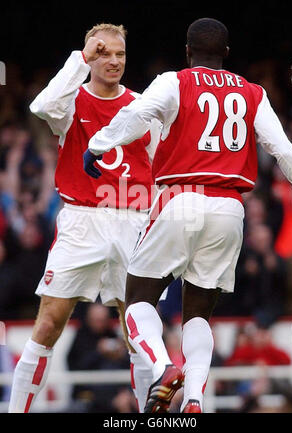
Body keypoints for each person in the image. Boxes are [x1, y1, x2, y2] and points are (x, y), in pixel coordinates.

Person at [84, 17, 292, 413]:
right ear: (227, 55)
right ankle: (195, 399)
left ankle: (165, 368)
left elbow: (137, 114)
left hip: (181, 197)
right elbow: (284, 150)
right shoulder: (253, 92)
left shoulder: (175, 81)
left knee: (137, 300)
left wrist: (99, 145)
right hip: (231, 209)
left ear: (188, 51)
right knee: (198, 312)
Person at [8, 23, 160, 413]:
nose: (113, 61)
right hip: (81, 221)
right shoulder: (71, 102)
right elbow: (40, 107)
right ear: (89, 55)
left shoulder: (145, 105)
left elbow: (159, 166)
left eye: (120, 54)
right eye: (103, 52)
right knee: (48, 325)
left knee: (137, 334)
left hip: (133, 222)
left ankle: (148, 417)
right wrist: (79, 59)